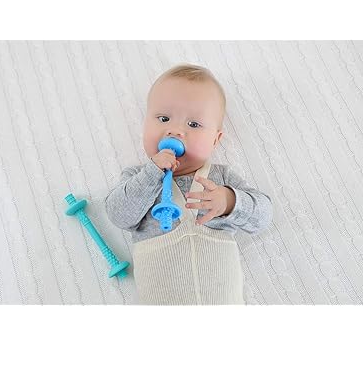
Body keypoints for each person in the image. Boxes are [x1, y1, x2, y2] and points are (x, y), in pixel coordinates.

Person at [104, 63, 273, 304]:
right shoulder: (137, 177)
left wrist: (230, 201)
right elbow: (118, 215)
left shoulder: (221, 178)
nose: (175, 131)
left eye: (193, 124)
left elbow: (263, 217)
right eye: (163, 118)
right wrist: (152, 172)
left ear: (215, 140)